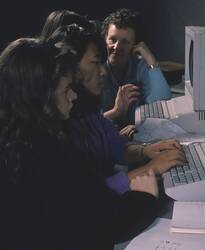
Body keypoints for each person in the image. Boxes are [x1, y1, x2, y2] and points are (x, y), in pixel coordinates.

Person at [0, 37, 160, 249]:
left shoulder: (21, 140)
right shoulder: (41, 152)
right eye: (66, 89)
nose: (73, 95)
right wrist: (146, 198)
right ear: (41, 98)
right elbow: (91, 228)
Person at [47, 24, 186, 195]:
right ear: (71, 67)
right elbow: (90, 195)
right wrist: (150, 169)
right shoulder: (60, 125)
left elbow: (115, 145)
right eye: (95, 62)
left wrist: (145, 151)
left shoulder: (89, 109)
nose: (102, 72)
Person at [101, 8, 172, 128]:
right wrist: (116, 111)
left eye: (125, 42)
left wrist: (151, 60)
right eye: (112, 40)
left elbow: (162, 103)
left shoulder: (139, 66)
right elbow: (87, 125)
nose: (117, 47)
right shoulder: (95, 68)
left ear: (135, 45)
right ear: (104, 39)